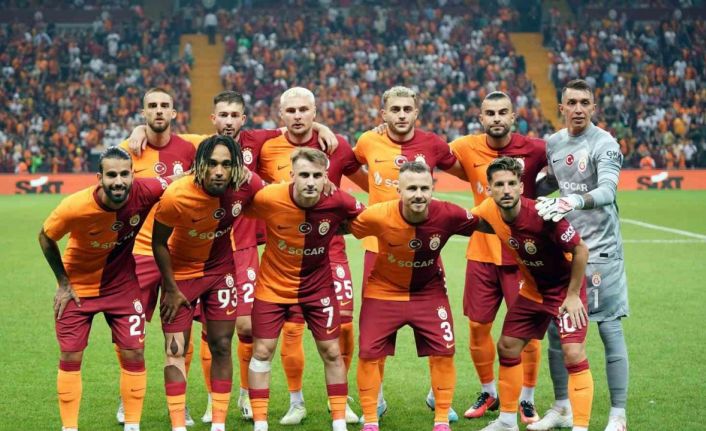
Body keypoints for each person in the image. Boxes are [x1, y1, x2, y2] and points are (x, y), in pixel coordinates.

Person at [126, 89, 340, 422]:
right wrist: (140, 129)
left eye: (234, 115)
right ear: (213, 119)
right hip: (183, 251)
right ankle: (193, 401)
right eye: (222, 115)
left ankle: (240, 396)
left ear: (243, 118)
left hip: (237, 248)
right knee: (171, 333)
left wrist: (321, 129)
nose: (228, 121)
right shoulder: (199, 145)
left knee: (241, 328)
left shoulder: (258, 142)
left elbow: (293, 129)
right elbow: (162, 134)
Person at [353, 85, 465, 422]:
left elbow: (466, 170)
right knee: (375, 330)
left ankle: (437, 394)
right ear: (383, 113)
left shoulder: (433, 143)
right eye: (395, 109)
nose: (401, 115)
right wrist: (369, 189)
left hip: (424, 246)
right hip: (379, 249)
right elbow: (345, 165)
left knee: (434, 325)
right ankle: (377, 397)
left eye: (407, 109)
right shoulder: (368, 141)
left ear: (416, 113)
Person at [38, 147, 171, 431]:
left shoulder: (146, 191)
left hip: (122, 287)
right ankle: (69, 427)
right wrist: (63, 282)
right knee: (70, 355)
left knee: (134, 352)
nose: (118, 181)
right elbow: (46, 237)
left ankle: (132, 425)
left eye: (124, 174)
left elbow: (179, 180)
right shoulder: (75, 206)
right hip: (78, 287)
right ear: (99, 178)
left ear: (133, 175)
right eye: (111, 175)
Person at [257, 87, 367, 425]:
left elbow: (368, 185)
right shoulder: (266, 147)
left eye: (304, 110)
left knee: (343, 326)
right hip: (287, 256)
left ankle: (341, 401)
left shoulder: (337, 145)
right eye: (291, 110)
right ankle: (296, 401)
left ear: (315, 112)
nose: (298, 116)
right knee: (291, 330)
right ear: (281, 115)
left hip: (329, 251)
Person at [348, 161, 483, 431]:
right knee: (368, 354)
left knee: (444, 352)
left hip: (428, 292)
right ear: (398, 190)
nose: (418, 194)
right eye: (411, 189)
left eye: (424, 188)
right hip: (383, 291)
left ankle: (441, 419)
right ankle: (371, 419)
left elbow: (488, 223)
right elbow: (344, 226)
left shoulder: (449, 214)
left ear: (433, 189)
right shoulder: (378, 215)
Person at [531, 79, 629, 431]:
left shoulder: (605, 144)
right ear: (561, 107)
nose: (577, 109)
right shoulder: (555, 143)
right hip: (566, 250)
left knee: (608, 327)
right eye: (571, 103)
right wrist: (531, 190)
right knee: (558, 329)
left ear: (593, 107)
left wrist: (573, 200)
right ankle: (562, 408)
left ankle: (618, 415)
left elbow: (607, 191)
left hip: (601, 251)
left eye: (584, 103)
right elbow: (553, 182)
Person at [445, 91, 547, 422]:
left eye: (503, 112)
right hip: (482, 252)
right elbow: (428, 151)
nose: (497, 118)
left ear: (513, 116)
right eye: (490, 113)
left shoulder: (535, 149)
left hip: (524, 257)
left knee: (527, 331)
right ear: (481, 118)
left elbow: (566, 161)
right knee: (477, 327)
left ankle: (527, 398)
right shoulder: (466, 146)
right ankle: (489, 391)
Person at [473, 156, 594, 431]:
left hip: (564, 290)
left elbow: (580, 250)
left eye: (511, 183)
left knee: (573, 352)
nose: (506, 190)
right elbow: (463, 221)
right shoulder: (488, 210)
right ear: (489, 190)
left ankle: (581, 426)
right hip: (532, 290)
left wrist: (573, 295)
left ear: (520, 187)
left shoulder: (543, 214)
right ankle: (507, 421)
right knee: (507, 346)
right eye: (499, 185)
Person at [152, 135, 262, 431]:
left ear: (236, 167)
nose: (219, 171)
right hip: (181, 277)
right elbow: (159, 242)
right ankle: (178, 425)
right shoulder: (177, 195)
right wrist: (170, 288)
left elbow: (276, 199)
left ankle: (218, 424)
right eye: (212, 164)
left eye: (226, 164)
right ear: (199, 165)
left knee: (222, 345)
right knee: (175, 349)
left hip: (220, 273)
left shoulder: (246, 185)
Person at [117, 87, 199, 426]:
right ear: (143, 112)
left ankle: (179, 405)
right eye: (152, 106)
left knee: (179, 336)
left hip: (177, 253)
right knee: (130, 334)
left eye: (165, 105)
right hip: (137, 253)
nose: (159, 110)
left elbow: (233, 136)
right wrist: (135, 134)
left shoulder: (190, 148)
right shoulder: (127, 150)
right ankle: (127, 398)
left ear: (175, 112)